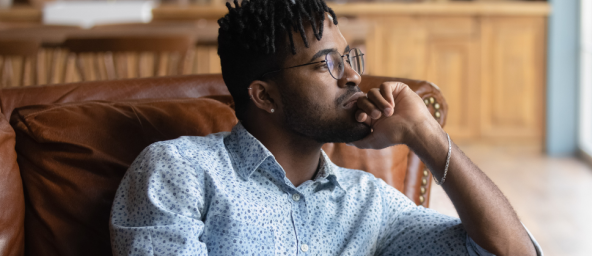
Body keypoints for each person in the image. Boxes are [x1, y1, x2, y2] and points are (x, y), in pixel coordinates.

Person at [109, 0, 543, 255]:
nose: (353, 77)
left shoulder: (367, 204)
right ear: (265, 96)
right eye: (327, 64)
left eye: (350, 59)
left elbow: (512, 252)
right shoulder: (180, 170)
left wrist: (424, 133)